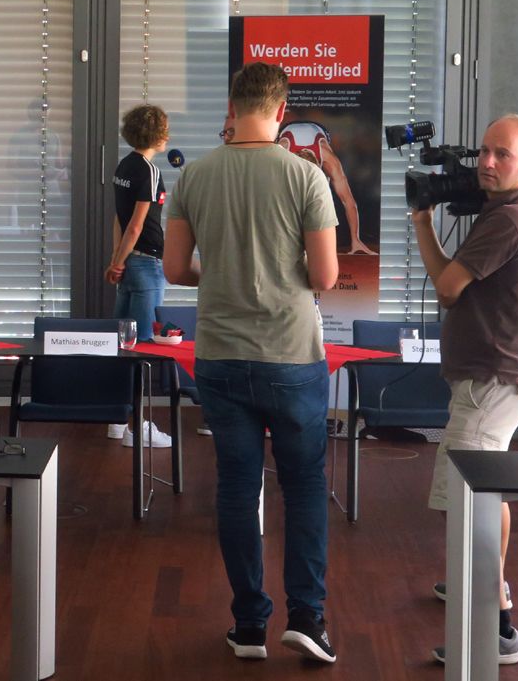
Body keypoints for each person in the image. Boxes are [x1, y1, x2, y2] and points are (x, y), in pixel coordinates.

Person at [163, 63, 340, 664]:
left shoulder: (194, 176)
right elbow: (325, 276)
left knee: (238, 487)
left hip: (218, 354)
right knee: (303, 484)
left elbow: (175, 269)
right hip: (291, 354)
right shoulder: (305, 175)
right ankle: (307, 618)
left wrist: (222, 273)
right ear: (281, 112)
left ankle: (247, 625)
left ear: (232, 108)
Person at [411, 114, 518, 666]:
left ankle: (497, 626)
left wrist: (423, 221)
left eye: (502, 154)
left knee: (471, 504)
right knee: (471, 499)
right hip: (490, 381)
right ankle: (482, 585)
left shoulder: (510, 218)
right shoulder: (506, 210)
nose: (487, 163)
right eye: (484, 152)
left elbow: (447, 288)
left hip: (491, 385)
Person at [105, 103, 173, 448]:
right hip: (146, 265)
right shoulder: (148, 170)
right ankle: (139, 427)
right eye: (165, 130)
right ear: (157, 135)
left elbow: (119, 220)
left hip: (131, 263)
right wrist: (120, 261)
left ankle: (117, 421)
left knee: (122, 346)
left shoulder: (124, 166)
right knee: (142, 349)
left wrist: (117, 260)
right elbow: (134, 225)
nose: (168, 136)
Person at [277, 119, 376, 255]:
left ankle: (313, 234)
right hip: (287, 134)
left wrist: (356, 239)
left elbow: (348, 201)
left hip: (318, 130)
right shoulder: (281, 155)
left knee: (322, 196)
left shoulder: (328, 159)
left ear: (319, 167)